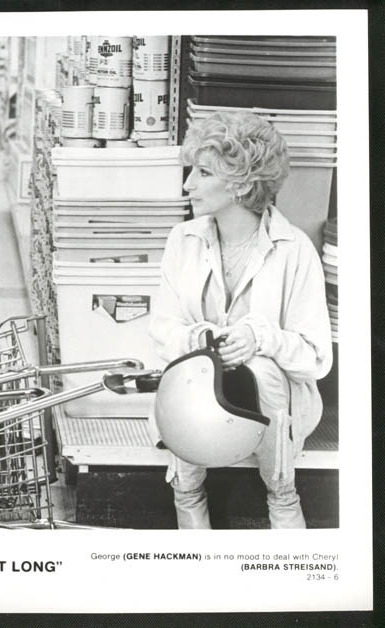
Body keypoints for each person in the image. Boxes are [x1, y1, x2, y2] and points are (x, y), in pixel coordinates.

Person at [148, 111, 332, 529]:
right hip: (197, 401)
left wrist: (259, 339)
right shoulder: (183, 240)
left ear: (243, 184)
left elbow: (316, 357)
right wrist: (200, 340)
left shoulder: (294, 249)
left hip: (271, 406)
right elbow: (162, 331)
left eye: (203, 172)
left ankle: (283, 498)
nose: (188, 184)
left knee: (263, 370)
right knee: (190, 367)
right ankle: (187, 495)